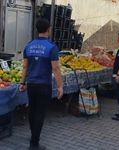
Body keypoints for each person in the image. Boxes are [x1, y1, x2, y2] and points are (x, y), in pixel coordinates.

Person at [19, 18, 63, 150]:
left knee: (32, 111)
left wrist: (22, 82)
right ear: (48, 30)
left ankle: (33, 136)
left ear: (37, 30)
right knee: (40, 113)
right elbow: (55, 68)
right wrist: (60, 86)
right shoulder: (51, 47)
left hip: (31, 84)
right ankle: (34, 143)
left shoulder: (29, 45)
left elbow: (25, 67)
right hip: (44, 85)